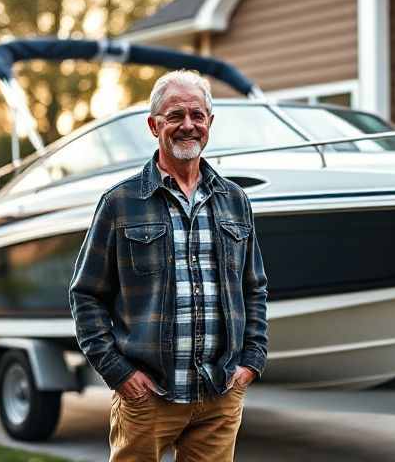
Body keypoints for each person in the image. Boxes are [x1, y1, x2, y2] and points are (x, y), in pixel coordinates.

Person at [68, 69, 269, 462]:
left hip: (220, 394)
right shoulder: (120, 202)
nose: (188, 125)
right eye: (175, 116)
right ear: (154, 125)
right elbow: (85, 295)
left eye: (197, 115)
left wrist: (251, 361)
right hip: (148, 398)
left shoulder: (235, 200)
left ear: (210, 123)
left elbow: (254, 288)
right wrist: (119, 374)